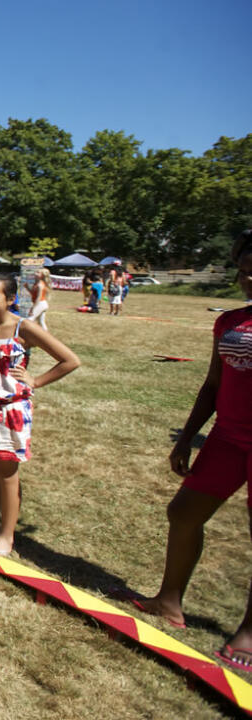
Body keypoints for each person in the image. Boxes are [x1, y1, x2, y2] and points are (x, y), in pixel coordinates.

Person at [112, 232, 252, 671]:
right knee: (184, 513)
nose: (247, 276)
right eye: (243, 267)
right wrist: (187, 435)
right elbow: (213, 384)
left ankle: (248, 633)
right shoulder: (229, 321)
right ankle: (169, 601)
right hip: (227, 439)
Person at [0, 273, 80, 556]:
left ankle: (6, 537)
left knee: (6, 472)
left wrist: (36, 380)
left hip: (10, 411)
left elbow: (70, 360)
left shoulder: (23, 328)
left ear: (11, 299)